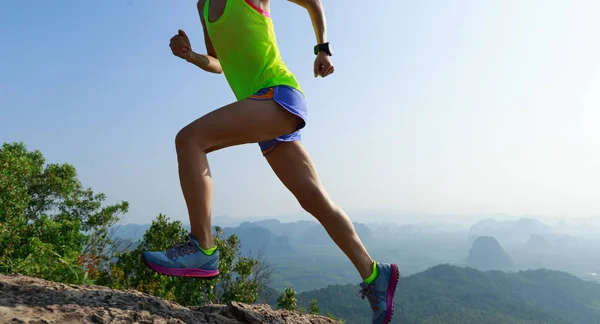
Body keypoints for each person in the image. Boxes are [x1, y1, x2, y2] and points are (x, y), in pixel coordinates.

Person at [141, 0, 399, 322]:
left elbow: (312, 3)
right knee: (315, 200)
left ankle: (202, 248)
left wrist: (323, 49)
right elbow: (219, 62)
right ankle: (375, 274)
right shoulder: (203, 5)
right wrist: (191, 55)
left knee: (190, 140)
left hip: (277, 95)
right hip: (264, 111)